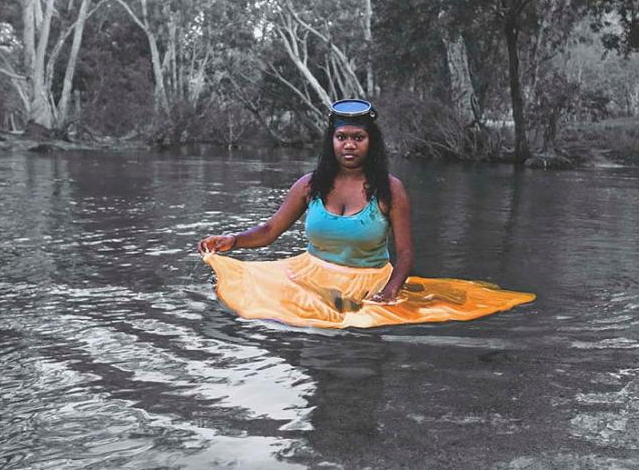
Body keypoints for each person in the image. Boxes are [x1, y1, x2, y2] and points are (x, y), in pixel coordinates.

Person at [198, 99, 534, 329]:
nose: (348, 145)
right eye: (341, 137)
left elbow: (404, 255)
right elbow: (271, 230)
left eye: (358, 138)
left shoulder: (391, 190)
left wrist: (390, 292)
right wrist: (233, 241)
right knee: (256, 308)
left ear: (371, 142)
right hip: (308, 275)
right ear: (331, 141)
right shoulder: (308, 185)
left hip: (368, 282)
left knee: (356, 329)